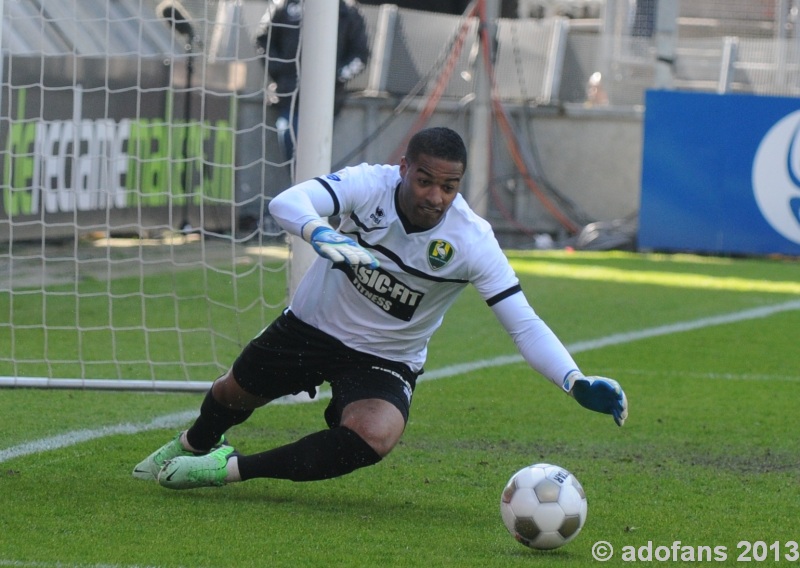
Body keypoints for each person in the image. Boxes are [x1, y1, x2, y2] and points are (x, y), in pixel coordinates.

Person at [133, 127, 628, 489]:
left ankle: (231, 468)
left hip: (386, 356)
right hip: (310, 327)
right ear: (403, 169)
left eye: (449, 187)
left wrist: (573, 379)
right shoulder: (368, 185)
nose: (436, 197)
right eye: (425, 181)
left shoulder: (473, 241)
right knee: (234, 393)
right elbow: (287, 202)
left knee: (376, 436)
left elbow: (523, 323)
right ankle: (195, 443)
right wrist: (320, 231)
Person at [255, 0, 370, 160]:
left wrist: (335, 77)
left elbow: (360, 55)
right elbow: (263, 40)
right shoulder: (284, 6)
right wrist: (280, 70)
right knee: (292, 147)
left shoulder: (348, 11)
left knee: (317, 156)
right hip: (289, 97)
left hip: (327, 101)